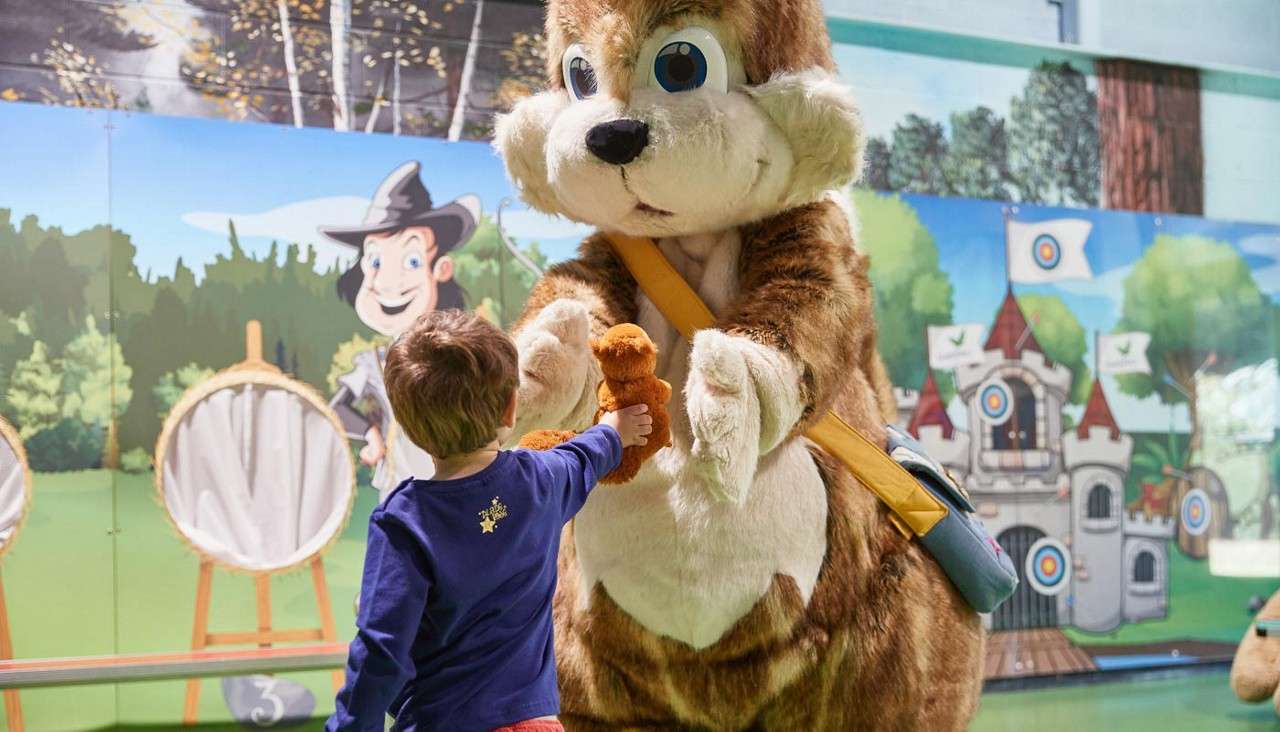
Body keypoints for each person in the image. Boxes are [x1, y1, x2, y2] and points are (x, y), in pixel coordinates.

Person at [326, 309, 653, 732]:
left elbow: (380, 651)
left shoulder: (404, 524)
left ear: (408, 425)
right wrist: (616, 428)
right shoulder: (541, 480)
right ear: (511, 408)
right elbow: (584, 456)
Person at [322, 161, 482, 501]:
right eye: (376, 262)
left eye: (410, 261)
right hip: (400, 490)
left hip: (456, 488)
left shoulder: (461, 358)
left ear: (441, 268)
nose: (389, 283)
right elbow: (339, 405)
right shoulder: (376, 363)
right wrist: (371, 434)